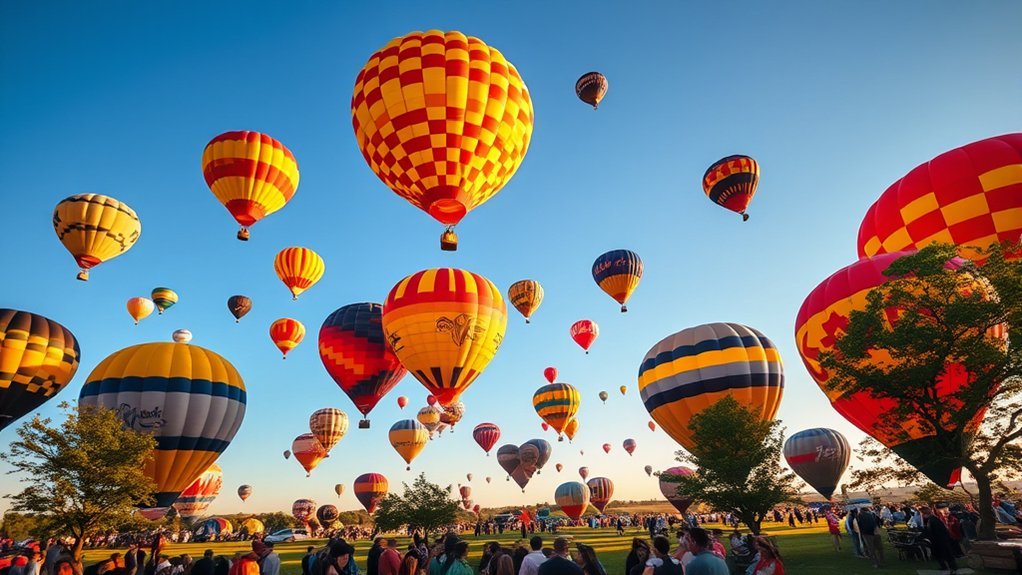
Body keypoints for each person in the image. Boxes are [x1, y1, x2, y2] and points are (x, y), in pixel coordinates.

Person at [920, 506, 958, 574]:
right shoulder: (931, 519)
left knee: (947, 554)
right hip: (938, 540)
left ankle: (953, 568)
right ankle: (944, 566)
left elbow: (937, 531)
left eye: (922, 513)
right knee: (940, 555)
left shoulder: (933, 520)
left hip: (940, 540)